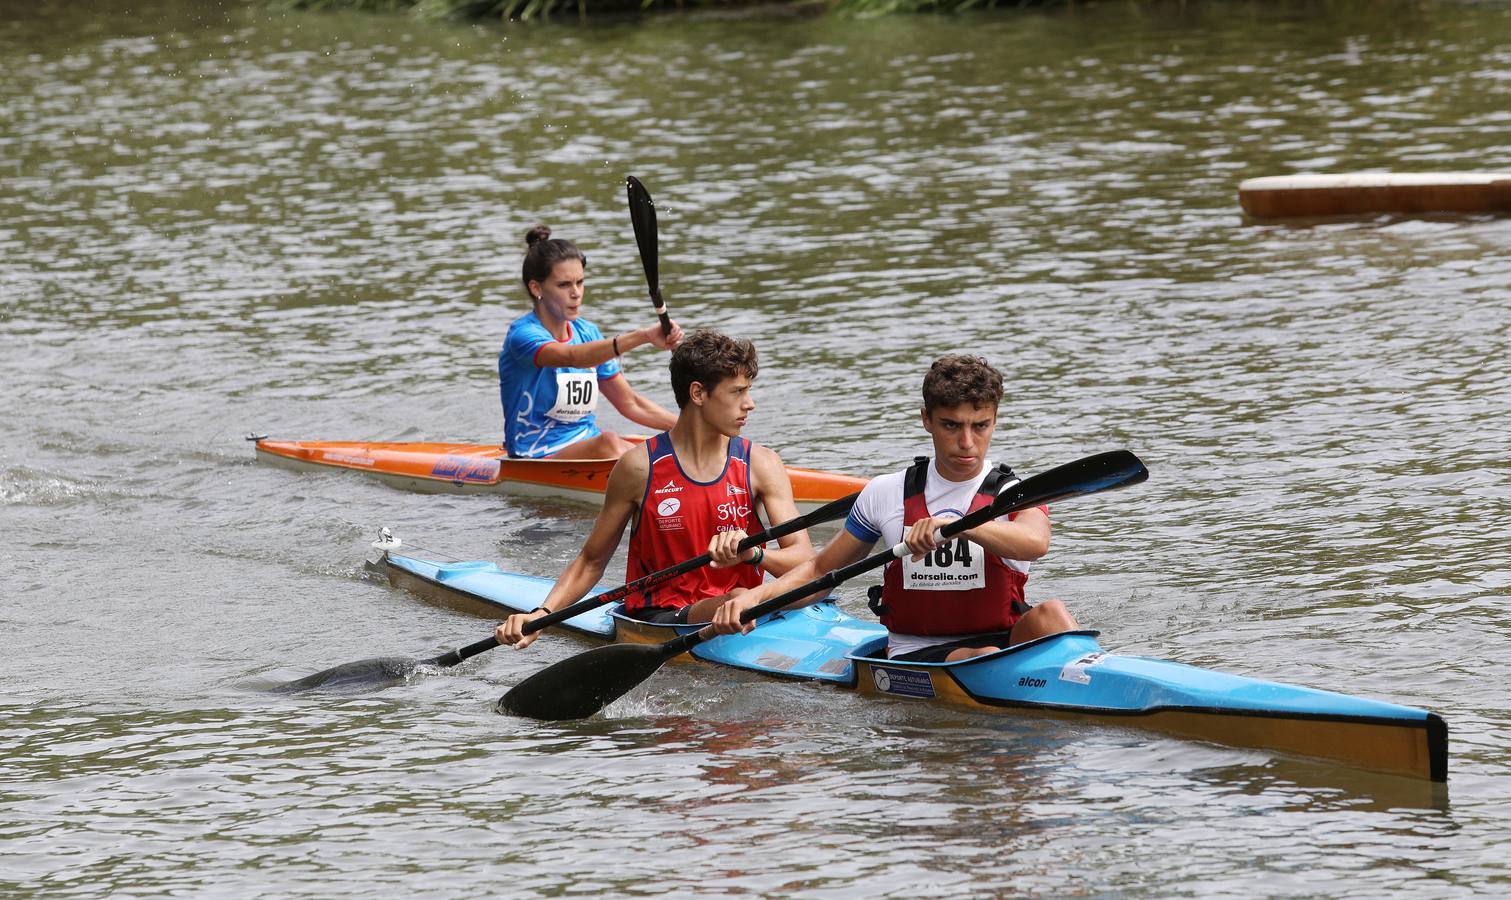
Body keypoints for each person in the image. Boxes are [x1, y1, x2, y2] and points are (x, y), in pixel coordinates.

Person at [711, 355, 1078, 663]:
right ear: (926, 420)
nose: (967, 442)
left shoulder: (1014, 493)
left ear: (994, 421)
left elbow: (1036, 543)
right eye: (951, 426)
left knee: (1052, 614)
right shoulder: (886, 493)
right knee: (980, 654)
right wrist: (755, 597)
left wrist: (959, 526)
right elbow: (821, 571)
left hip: (1002, 639)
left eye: (980, 426)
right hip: (918, 652)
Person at [496, 330, 814, 649]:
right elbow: (591, 562)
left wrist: (755, 554)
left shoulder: (761, 464)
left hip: (746, 607)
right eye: (738, 392)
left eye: (749, 390)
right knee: (738, 597)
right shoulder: (639, 468)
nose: (750, 404)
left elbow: (804, 561)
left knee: (747, 596)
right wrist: (541, 614)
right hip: (661, 616)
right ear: (698, 393)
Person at [498, 225, 685, 460]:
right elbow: (572, 357)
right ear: (536, 288)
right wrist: (643, 336)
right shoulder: (522, 335)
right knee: (610, 442)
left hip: (587, 442)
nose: (576, 293)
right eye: (564, 285)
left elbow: (631, 404)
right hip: (535, 452)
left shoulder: (587, 332)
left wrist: (690, 428)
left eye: (580, 282)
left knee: (669, 445)